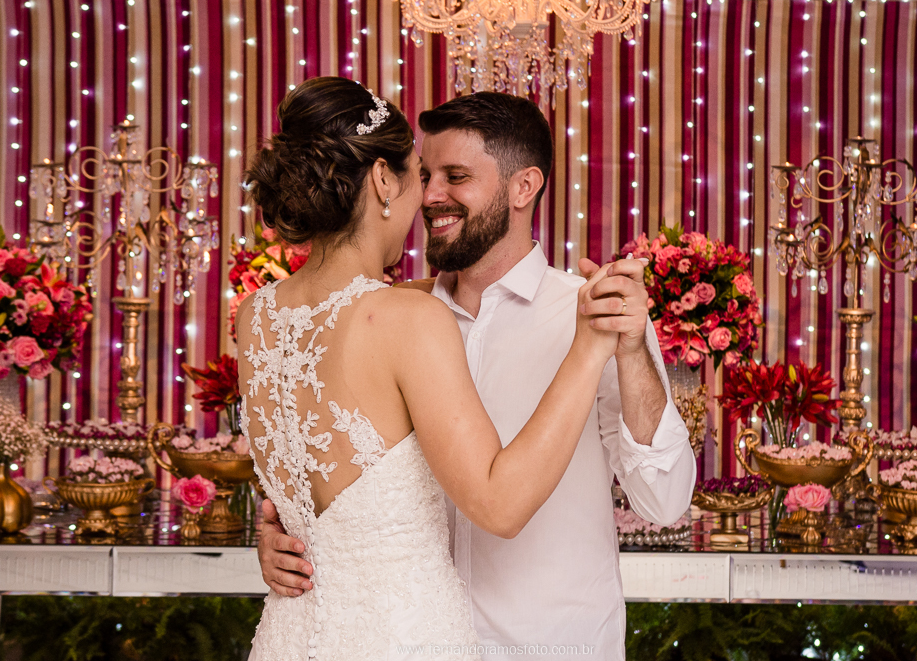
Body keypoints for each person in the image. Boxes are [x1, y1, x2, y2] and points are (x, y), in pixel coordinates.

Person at [256, 89, 698, 659]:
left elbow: (664, 503)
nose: (431, 196)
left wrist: (631, 350)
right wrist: (287, 537)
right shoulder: (390, 316)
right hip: (406, 641)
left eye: (455, 176)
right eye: (426, 173)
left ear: (523, 187)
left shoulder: (594, 311)